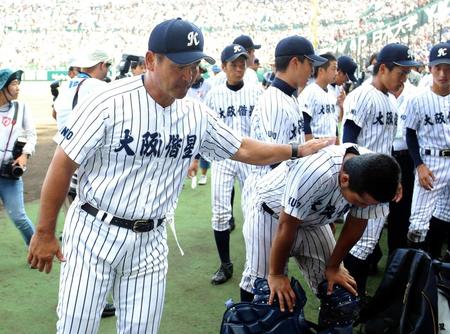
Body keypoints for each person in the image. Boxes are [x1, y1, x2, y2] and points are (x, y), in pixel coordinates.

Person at [27, 18, 330, 334]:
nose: (190, 75)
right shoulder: (108, 101)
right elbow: (62, 164)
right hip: (94, 232)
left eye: (196, 66)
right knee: (77, 328)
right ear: (150, 61)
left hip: (152, 240)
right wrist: (45, 231)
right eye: (180, 66)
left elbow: (241, 147)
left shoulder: (195, 113)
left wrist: (296, 150)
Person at [239, 144, 400, 313]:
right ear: (345, 179)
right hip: (271, 214)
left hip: (313, 220)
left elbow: (356, 224)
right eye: (361, 202)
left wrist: (333, 266)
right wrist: (277, 275)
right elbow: (287, 224)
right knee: (263, 291)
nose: (364, 207)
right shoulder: (317, 171)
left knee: (340, 295)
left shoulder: (376, 172)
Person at [342, 43, 421, 296]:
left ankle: (356, 296)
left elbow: (385, 148)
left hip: (377, 184)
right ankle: (348, 299)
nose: (404, 79)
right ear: (383, 68)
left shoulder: (389, 100)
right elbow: (348, 141)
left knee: (366, 245)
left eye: (407, 74)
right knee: (358, 245)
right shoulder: (363, 95)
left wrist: (394, 179)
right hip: (362, 185)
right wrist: (355, 185)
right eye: (401, 73)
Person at [53, 48, 116, 318]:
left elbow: (56, 116)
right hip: (90, 171)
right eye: (107, 66)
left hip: (65, 163)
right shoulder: (97, 87)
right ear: (100, 65)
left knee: (74, 231)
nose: (108, 70)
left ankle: (75, 296)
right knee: (93, 241)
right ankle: (92, 301)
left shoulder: (68, 85)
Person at [204, 44, 263, 285]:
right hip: (223, 158)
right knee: (220, 213)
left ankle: (254, 262)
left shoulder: (256, 91)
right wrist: (203, 162)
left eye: (242, 63)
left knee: (253, 212)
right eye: (233, 64)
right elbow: (206, 130)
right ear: (224, 66)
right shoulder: (213, 95)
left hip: (250, 158)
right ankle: (225, 264)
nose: (239, 68)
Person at [405, 42, 450, 258]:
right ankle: (415, 273)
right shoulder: (418, 100)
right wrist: (419, 165)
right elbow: (410, 134)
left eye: (448, 68)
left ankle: (436, 264)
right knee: (418, 223)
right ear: (430, 68)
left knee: (446, 215)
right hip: (431, 162)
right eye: (438, 67)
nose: (443, 73)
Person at [0, 68, 36, 247]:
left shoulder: (21, 108)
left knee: (19, 217)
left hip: (8, 174)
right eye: (13, 84)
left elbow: (31, 135)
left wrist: (24, 155)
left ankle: (37, 248)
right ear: (2, 87)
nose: (18, 87)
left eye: (18, 84)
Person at [386, 79, 419, 254]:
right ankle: (372, 256)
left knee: (402, 207)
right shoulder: (376, 93)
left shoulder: (415, 93)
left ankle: (396, 255)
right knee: (378, 204)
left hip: (406, 156)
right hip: (383, 155)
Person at [300, 53, 339, 142]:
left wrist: (338, 146)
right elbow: (305, 123)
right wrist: (311, 150)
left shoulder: (332, 92)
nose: (336, 73)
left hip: (331, 149)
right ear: (321, 70)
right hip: (317, 148)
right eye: (333, 69)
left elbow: (334, 123)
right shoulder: (309, 92)